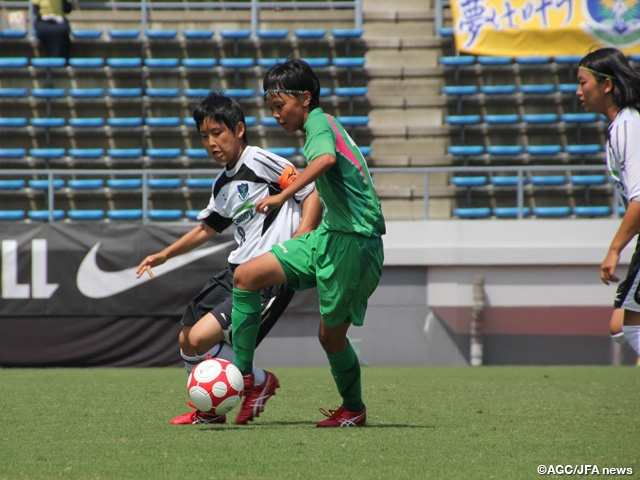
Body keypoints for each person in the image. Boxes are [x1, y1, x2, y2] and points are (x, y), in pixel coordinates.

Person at [136, 91, 322, 425]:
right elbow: (208, 228)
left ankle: (233, 398)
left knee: (203, 338)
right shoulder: (223, 182)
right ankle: (228, 401)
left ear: (238, 129)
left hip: (266, 275)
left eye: (217, 133)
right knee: (186, 338)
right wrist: (163, 255)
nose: (211, 142)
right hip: (234, 269)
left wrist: (301, 238)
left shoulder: (259, 160)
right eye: (204, 136)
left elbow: (310, 190)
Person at [230, 57, 386, 427]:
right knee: (246, 276)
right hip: (328, 237)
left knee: (330, 339)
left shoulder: (318, 122)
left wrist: (283, 197)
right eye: (271, 108)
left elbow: (326, 160)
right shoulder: (322, 125)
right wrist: (306, 228)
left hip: (356, 244)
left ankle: (353, 409)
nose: (276, 115)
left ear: (305, 98)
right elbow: (323, 176)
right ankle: (244, 376)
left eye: (280, 106)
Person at [577, 47, 640, 358]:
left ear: (607, 85)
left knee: (629, 327)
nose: (578, 91)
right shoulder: (621, 125)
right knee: (622, 325)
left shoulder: (629, 124)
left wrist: (614, 250)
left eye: (582, 82)